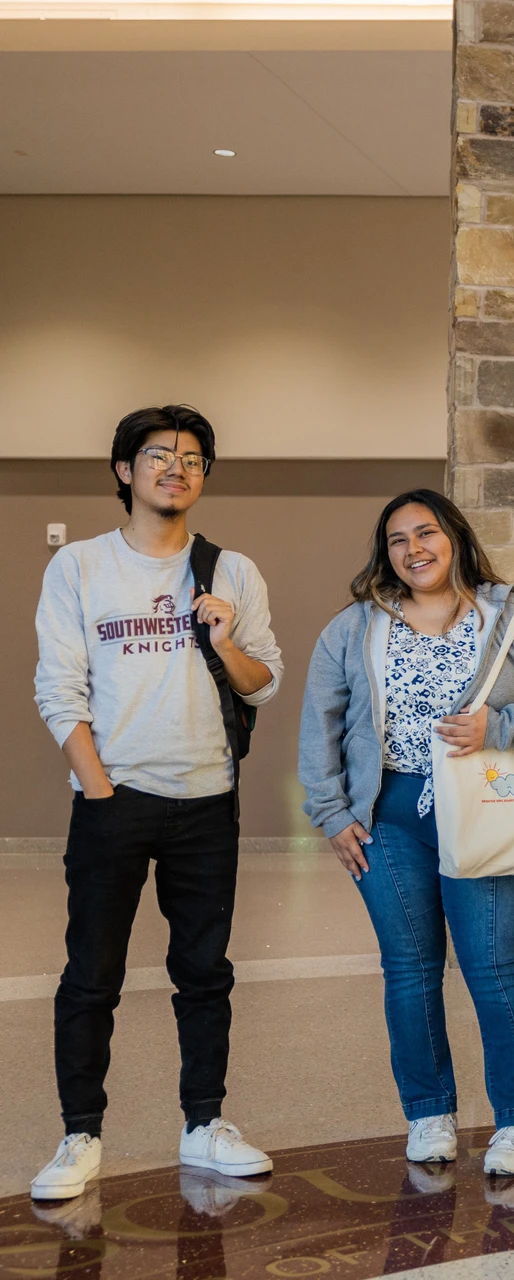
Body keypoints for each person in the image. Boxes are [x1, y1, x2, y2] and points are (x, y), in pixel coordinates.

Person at [298, 490, 514, 1177]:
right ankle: (429, 1114)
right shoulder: (355, 627)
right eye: (397, 540)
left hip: (484, 805)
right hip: (389, 814)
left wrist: (501, 726)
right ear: (386, 554)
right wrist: (333, 813)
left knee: (493, 966)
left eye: (425, 533)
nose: (413, 549)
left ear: (454, 537)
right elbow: (322, 724)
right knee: (408, 969)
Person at [31, 405, 284, 1201]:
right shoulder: (78, 566)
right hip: (115, 799)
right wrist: (98, 792)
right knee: (91, 974)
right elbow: (58, 689)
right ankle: (80, 1135)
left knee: (204, 973)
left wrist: (224, 639)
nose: (177, 468)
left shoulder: (231, 569)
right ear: (124, 470)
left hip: (208, 799)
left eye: (192, 459)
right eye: (159, 455)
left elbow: (263, 681)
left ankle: (204, 1124)